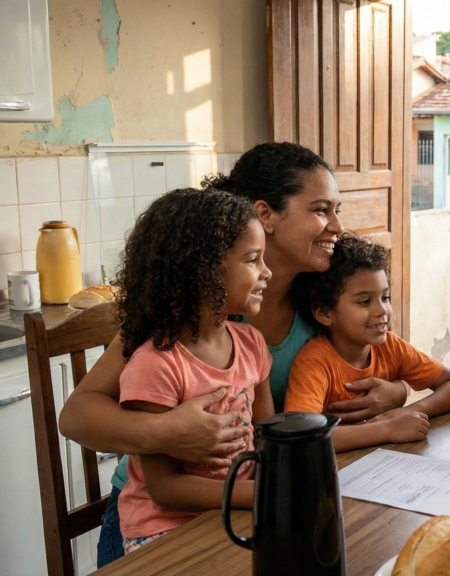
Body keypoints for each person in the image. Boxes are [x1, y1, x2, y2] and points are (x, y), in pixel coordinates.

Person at [58, 142, 409, 566]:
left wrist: (397, 389)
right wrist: (166, 432)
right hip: (161, 518)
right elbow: (76, 415)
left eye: (337, 210)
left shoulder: (322, 297)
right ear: (266, 215)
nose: (337, 225)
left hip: (251, 490)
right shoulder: (180, 320)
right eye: (321, 210)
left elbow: (392, 361)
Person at [115, 188, 274, 552]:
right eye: (252, 260)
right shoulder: (156, 364)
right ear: (202, 271)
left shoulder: (251, 343)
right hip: (164, 530)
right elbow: (165, 488)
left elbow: (267, 437)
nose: (267, 272)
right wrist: (262, 494)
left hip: (233, 508)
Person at [285, 233, 450, 451]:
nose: (382, 310)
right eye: (364, 301)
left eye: (385, 297)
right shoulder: (314, 362)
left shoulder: (390, 347)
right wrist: (388, 430)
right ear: (325, 312)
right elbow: (302, 436)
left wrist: (410, 411)